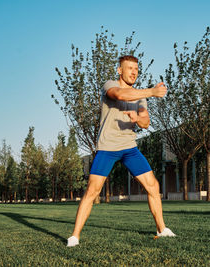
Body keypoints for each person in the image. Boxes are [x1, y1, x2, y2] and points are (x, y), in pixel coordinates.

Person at [67, 55, 176, 247]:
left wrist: (137, 119)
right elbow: (119, 95)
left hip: (129, 148)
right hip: (107, 147)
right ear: (120, 70)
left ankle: (162, 229)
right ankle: (74, 236)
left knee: (153, 186)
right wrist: (152, 91)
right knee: (92, 191)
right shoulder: (109, 84)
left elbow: (146, 122)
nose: (134, 72)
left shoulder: (140, 96)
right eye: (130, 68)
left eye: (136, 69)